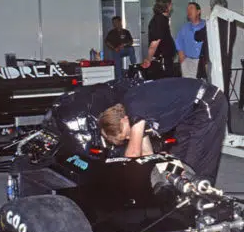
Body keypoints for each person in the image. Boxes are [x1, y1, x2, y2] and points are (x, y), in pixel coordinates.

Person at [97, 77, 227, 183]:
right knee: (178, 163)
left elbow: (133, 153)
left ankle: (205, 206)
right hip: (189, 114)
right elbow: (147, 154)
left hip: (208, 102)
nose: (129, 138)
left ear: (123, 120)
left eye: (125, 135)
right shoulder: (136, 115)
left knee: (195, 166)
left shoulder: (134, 109)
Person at [144, 0, 177, 77]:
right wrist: (148, 59)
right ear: (167, 5)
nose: (171, 6)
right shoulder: (159, 20)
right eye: (171, 4)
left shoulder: (162, 19)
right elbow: (155, 42)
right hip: (162, 61)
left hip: (165, 60)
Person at [175, 2, 206, 78]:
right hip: (188, 63)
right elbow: (180, 47)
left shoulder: (207, 26)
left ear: (198, 11)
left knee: (203, 87)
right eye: (187, 9)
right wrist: (183, 64)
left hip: (204, 63)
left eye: (191, 8)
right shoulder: (183, 29)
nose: (188, 11)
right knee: (189, 88)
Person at [104, 16, 136, 80]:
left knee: (131, 48)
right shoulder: (112, 32)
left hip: (126, 49)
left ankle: (134, 67)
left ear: (120, 22)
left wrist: (124, 44)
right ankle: (119, 78)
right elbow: (107, 42)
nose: (114, 24)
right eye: (113, 23)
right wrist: (114, 48)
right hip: (117, 50)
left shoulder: (126, 32)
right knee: (116, 54)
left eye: (115, 22)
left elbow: (131, 42)